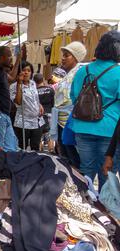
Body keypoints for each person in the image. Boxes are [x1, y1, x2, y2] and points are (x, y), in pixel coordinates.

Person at [70, 31, 120, 190]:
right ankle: (104, 210)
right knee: (107, 173)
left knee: (86, 169)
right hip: (109, 130)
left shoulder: (82, 71)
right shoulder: (118, 72)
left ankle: (86, 205)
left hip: (82, 127)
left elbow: (73, 98)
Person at [50, 41, 87, 169]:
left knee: (73, 159)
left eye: (67, 55)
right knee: (66, 158)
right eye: (63, 55)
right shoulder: (68, 75)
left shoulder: (80, 73)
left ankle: (78, 185)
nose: (63, 58)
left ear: (76, 57)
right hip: (62, 122)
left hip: (71, 122)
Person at [10, 62, 45, 151]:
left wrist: (39, 104)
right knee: (22, 148)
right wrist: (19, 84)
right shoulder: (13, 86)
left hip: (37, 121)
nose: (26, 72)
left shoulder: (33, 83)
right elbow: (18, 102)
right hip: (23, 123)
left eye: (28, 71)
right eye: (23, 70)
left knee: (35, 147)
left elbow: (34, 97)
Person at [34, 73, 55, 152]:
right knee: (50, 135)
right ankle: (51, 151)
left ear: (34, 81)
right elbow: (53, 104)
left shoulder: (34, 92)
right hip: (50, 114)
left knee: (39, 136)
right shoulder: (50, 90)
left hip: (39, 116)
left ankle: (40, 152)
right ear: (43, 80)